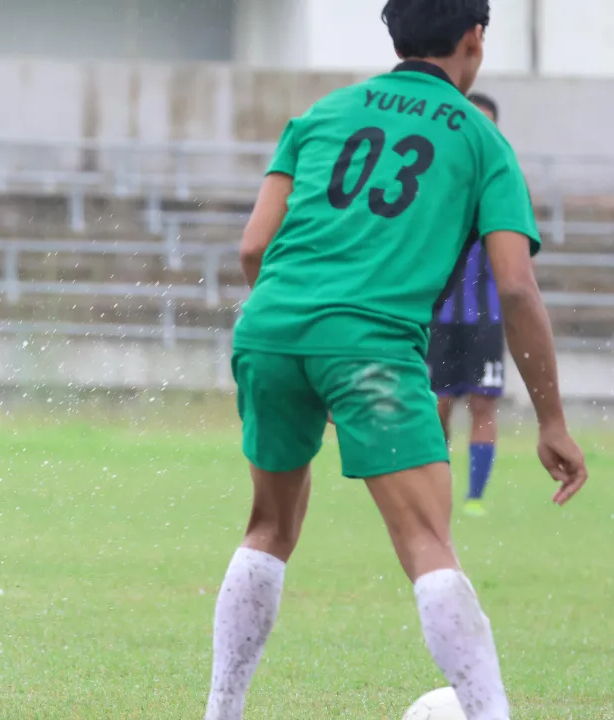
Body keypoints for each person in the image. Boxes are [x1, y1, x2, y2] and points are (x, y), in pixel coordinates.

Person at [209, 1, 587, 719]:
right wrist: (553, 420)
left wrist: (306, 324)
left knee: (268, 529)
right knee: (426, 543)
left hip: (271, 329)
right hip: (373, 347)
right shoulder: (481, 138)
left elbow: (253, 248)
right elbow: (515, 283)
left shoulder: (323, 113)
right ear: (474, 40)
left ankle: (220, 713)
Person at [428, 92, 507, 517]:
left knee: (482, 403)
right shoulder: (437, 180)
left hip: (486, 318)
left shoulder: (503, 183)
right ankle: (436, 488)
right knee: (438, 405)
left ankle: (475, 496)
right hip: (440, 315)